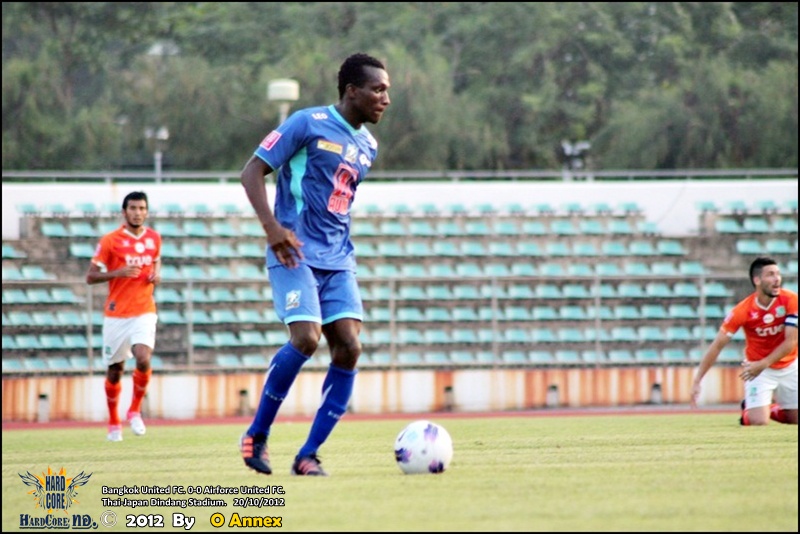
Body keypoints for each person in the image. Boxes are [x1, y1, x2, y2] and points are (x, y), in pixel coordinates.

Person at [238, 52, 391, 475]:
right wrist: (272, 229)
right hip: (294, 250)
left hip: (338, 258)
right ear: (352, 91)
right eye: (378, 90)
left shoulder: (369, 145)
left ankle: (308, 454)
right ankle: (257, 434)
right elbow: (251, 171)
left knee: (350, 347)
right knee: (306, 338)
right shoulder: (306, 122)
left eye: (387, 91)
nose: (385, 98)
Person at [86, 191, 162, 441]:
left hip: (144, 310)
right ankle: (113, 422)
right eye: (133, 208)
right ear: (124, 211)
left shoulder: (154, 238)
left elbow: (156, 262)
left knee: (143, 357)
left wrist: (156, 276)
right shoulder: (110, 240)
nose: (137, 213)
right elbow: (90, 277)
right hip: (117, 314)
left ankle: (134, 411)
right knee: (115, 369)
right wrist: (118, 272)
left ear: (146, 211)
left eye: (141, 208)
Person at [691, 257, 797, 425]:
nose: (777, 279)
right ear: (757, 280)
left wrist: (763, 363)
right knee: (759, 422)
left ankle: (766, 408)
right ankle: (751, 409)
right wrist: (698, 380)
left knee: (795, 420)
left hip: (789, 365)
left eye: (778, 274)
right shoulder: (743, 310)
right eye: (770, 274)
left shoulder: (791, 300)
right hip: (758, 370)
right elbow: (717, 345)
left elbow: (790, 342)